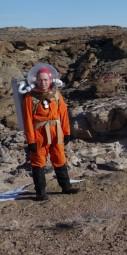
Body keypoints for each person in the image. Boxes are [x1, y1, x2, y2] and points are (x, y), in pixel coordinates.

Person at [22, 66, 79, 201]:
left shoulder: (56, 95)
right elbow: (28, 120)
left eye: (46, 80)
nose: (43, 83)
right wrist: (31, 140)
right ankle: (40, 193)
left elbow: (63, 114)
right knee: (38, 161)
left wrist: (66, 132)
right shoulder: (29, 98)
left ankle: (66, 187)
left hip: (56, 131)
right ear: (36, 81)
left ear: (50, 80)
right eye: (41, 80)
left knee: (59, 158)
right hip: (39, 133)